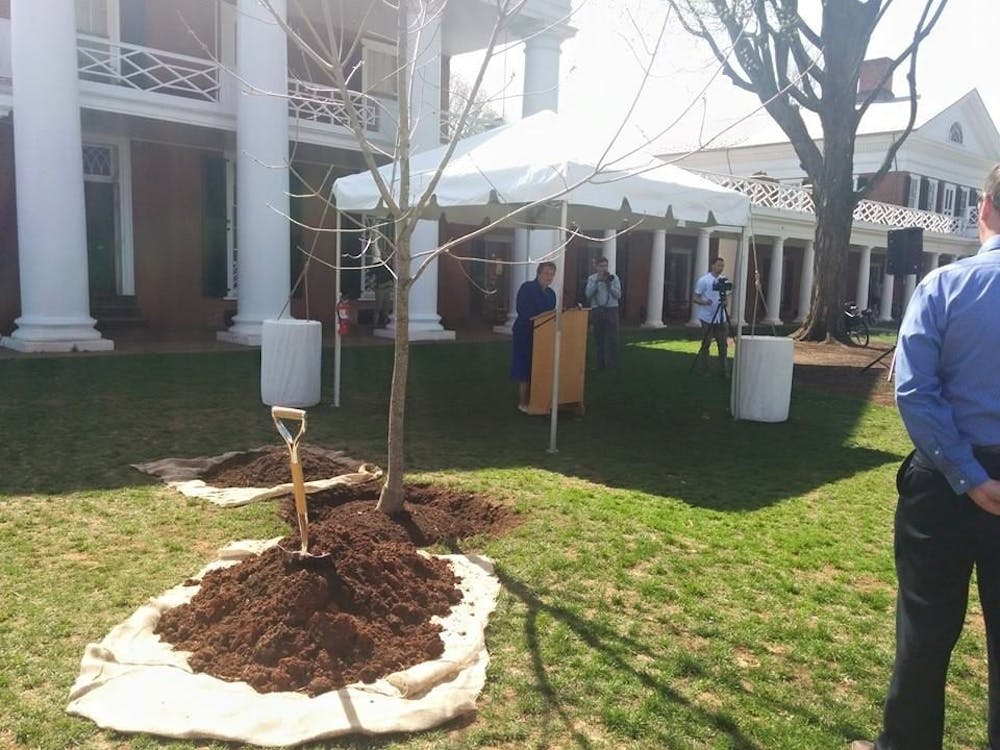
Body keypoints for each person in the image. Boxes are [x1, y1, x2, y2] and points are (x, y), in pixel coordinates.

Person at [855, 165, 1000, 750]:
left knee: (924, 632)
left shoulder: (944, 287)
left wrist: (968, 476)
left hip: (943, 485)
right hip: (959, 476)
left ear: (984, 207)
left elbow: (914, 391)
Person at [510, 261, 557, 412]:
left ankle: (538, 399)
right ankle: (523, 402)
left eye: (551, 274)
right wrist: (538, 316)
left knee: (540, 366)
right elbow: (522, 309)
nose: (549, 277)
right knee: (525, 366)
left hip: (543, 335)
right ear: (538, 273)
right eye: (546, 273)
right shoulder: (527, 288)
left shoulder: (551, 294)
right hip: (525, 332)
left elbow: (551, 314)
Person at [692, 256, 730, 375]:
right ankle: (705, 368)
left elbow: (726, 299)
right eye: (719, 265)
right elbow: (695, 298)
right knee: (706, 343)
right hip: (707, 317)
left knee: (723, 344)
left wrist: (725, 303)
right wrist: (705, 302)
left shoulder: (723, 280)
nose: (721, 268)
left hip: (721, 317)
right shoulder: (704, 280)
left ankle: (724, 369)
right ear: (712, 266)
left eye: (722, 266)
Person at [585, 256, 622, 371]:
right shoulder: (592, 278)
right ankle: (600, 365)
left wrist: (610, 286)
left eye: (605, 266)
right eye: (601, 266)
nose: (604, 268)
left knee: (613, 339)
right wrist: (597, 282)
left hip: (611, 309)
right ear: (596, 267)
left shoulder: (613, 277)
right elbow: (588, 294)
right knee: (598, 338)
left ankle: (612, 365)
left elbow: (618, 295)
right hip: (597, 310)